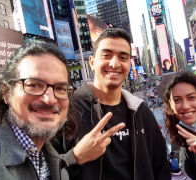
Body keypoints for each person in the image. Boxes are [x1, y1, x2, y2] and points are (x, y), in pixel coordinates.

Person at [0, 42, 125, 180]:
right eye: (34, 85)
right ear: (6, 93)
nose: (49, 99)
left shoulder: (53, 165)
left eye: (59, 88)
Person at [57, 28, 171, 180]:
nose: (114, 63)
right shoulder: (67, 109)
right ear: (92, 62)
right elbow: (43, 170)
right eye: (107, 55)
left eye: (123, 58)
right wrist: (75, 157)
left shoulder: (141, 111)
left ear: (129, 64)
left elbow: (161, 166)